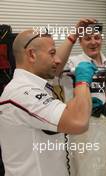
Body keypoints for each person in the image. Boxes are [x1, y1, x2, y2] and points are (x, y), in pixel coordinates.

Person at [0, 18, 97, 176]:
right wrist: (82, 83)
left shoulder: (37, 86)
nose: (58, 60)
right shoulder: (22, 93)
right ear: (32, 55)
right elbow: (79, 122)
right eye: (52, 53)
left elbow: (67, 111)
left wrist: (80, 102)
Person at [62, 22, 106, 106]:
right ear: (80, 42)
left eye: (97, 38)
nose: (93, 42)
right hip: (79, 116)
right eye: (88, 38)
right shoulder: (71, 63)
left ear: (101, 40)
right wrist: (73, 36)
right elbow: (56, 69)